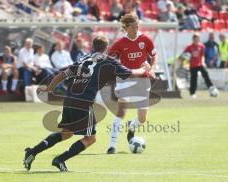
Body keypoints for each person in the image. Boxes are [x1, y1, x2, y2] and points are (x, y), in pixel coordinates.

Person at [23, 35, 151, 172]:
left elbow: (63, 74)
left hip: (69, 98)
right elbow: (131, 73)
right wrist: (145, 69)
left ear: (92, 46)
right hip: (83, 102)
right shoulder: (108, 61)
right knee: (90, 138)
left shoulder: (82, 58)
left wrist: (49, 88)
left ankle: (32, 152)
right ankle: (60, 159)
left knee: (67, 133)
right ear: (106, 48)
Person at [106, 14, 156, 154]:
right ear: (126, 27)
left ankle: (132, 127)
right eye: (133, 26)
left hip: (143, 79)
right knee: (122, 110)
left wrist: (151, 68)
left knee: (142, 118)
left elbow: (154, 55)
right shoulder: (120, 43)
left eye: (137, 25)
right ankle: (112, 145)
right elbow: (110, 60)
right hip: (125, 80)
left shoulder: (146, 39)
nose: (136, 28)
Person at [179, 33, 218, 98]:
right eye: (195, 39)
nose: (197, 41)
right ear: (193, 39)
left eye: (198, 39)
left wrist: (203, 62)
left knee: (205, 74)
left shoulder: (201, 46)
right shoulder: (189, 47)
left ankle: (211, 88)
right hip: (192, 65)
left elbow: (202, 55)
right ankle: (192, 93)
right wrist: (182, 62)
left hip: (200, 64)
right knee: (193, 79)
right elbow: (184, 55)